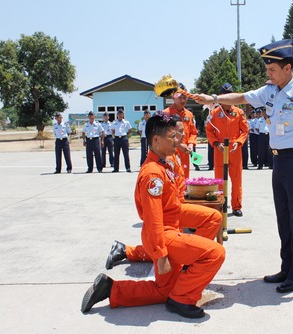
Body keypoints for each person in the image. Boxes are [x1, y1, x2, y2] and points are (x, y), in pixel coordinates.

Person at [195, 39, 293, 293]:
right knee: (284, 218)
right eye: (267, 69)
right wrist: (212, 98)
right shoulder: (271, 90)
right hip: (280, 160)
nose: (268, 74)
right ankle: (287, 267)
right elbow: (242, 97)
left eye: (272, 69)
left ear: (287, 67)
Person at [81, 113, 225, 318]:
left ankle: (111, 289)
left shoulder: (164, 162)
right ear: (156, 140)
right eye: (172, 136)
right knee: (215, 253)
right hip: (162, 234)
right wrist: (161, 256)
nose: (177, 140)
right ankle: (182, 299)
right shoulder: (153, 174)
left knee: (164, 290)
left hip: (170, 224)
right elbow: (154, 219)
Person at [106, 114, 223, 270]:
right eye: (176, 133)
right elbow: (153, 214)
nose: (180, 136)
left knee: (212, 218)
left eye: (181, 133)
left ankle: (190, 255)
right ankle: (127, 254)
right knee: (169, 261)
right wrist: (162, 256)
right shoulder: (159, 164)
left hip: (175, 206)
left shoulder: (171, 154)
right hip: (167, 214)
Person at [206, 83, 249, 217]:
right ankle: (220, 204)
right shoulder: (214, 113)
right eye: (225, 96)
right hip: (220, 150)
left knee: (236, 179)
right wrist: (215, 143)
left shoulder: (239, 112)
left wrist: (239, 142)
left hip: (235, 150)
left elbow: (245, 130)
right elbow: (209, 130)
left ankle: (236, 206)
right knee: (219, 180)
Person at [163, 83, 198, 179]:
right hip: (171, 152)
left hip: (185, 153)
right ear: (174, 98)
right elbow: (164, 134)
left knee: (185, 179)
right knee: (172, 179)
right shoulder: (166, 113)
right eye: (180, 97)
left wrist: (191, 144)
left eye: (185, 97)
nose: (183, 100)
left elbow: (193, 132)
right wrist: (178, 144)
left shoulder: (189, 114)